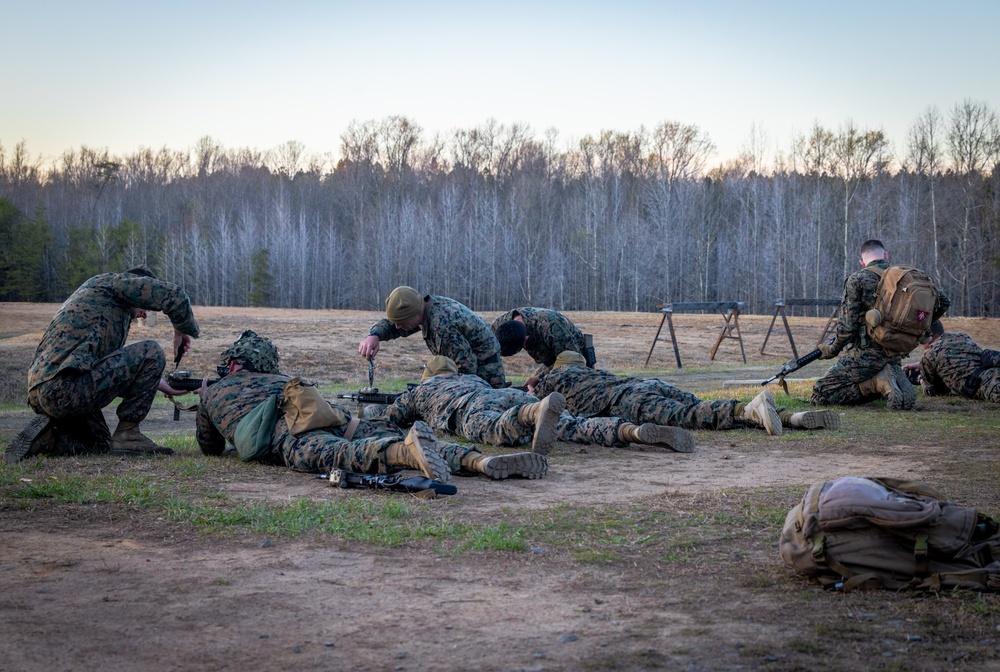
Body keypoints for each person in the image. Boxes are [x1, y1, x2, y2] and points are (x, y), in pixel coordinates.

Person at [198, 332, 542, 481]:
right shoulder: (279, 379)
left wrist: (204, 397)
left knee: (346, 455)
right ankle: (478, 460)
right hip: (334, 417)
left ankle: (407, 455)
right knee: (378, 432)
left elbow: (210, 447)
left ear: (231, 365)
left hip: (293, 437)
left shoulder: (216, 391)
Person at [6, 266, 200, 464]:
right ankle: (128, 436)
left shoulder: (101, 300)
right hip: (65, 388)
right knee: (152, 351)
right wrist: (180, 330)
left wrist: (157, 383)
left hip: (43, 391)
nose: (145, 313)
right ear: (137, 287)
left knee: (98, 444)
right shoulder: (116, 284)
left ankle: (49, 438)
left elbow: (108, 374)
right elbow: (175, 296)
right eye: (145, 305)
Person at [379, 355, 695, 454]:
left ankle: (533, 413)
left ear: (428, 376)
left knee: (494, 429)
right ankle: (634, 432)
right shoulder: (471, 378)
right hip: (507, 394)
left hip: (471, 407)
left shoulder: (425, 388)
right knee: (573, 426)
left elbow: (389, 418)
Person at [532, 351, 841, 435]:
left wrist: (533, 385)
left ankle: (748, 411)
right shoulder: (593, 372)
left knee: (691, 417)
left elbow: (534, 399)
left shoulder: (554, 377)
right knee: (699, 404)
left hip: (627, 400)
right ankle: (792, 417)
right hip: (644, 383)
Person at [811, 239, 950, 410]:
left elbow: (847, 328)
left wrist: (832, 350)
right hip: (895, 354)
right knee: (867, 386)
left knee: (820, 394)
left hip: (866, 355)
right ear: (885, 255)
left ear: (862, 262)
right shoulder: (908, 277)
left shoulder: (858, 279)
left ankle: (878, 383)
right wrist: (920, 326)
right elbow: (944, 301)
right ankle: (890, 382)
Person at [358, 286, 506, 388]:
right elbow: (393, 325)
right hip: (474, 372)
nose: (397, 327)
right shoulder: (425, 308)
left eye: (401, 322)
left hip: (486, 378)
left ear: (415, 314)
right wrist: (374, 335)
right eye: (395, 322)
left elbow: (466, 369)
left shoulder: (442, 326)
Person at [492, 307, 592, 389]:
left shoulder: (551, 326)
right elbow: (488, 353)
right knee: (533, 388)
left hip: (573, 356)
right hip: (550, 357)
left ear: (526, 339)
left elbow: (571, 361)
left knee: (553, 387)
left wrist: (537, 378)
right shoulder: (498, 326)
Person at [902, 321, 1000, 401]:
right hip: (994, 372)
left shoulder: (929, 355)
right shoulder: (962, 337)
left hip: (990, 385)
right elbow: (962, 358)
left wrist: (920, 378)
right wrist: (920, 365)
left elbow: (932, 391)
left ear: (926, 337)